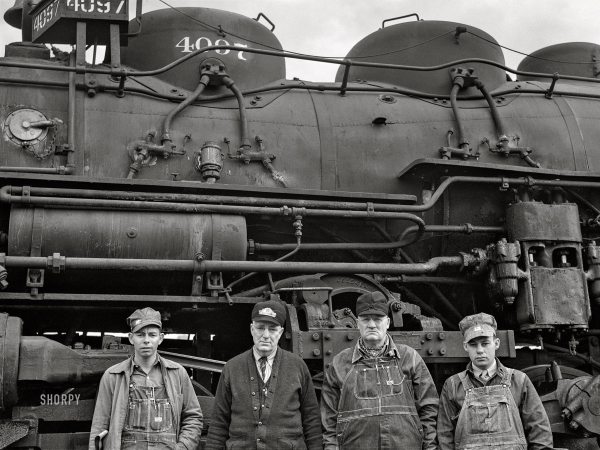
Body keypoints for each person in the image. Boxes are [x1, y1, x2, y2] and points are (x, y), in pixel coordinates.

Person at [321, 291, 439, 450]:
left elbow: (429, 410)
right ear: (357, 323)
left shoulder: (409, 358)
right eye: (365, 319)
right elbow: (329, 421)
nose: (371, 324)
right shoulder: (340, 363)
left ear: (388, 322)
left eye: (377, 319)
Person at [204, 299, 322, 450]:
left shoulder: (297, 366)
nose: (266, 335)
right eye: (260, 328)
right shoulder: (232, 367)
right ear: (252, 329)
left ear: (280, 332)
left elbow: (312, 421)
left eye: (272, 329)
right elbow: (218, 424)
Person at [89, 307, 203, 450]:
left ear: (160, 338)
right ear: (131, 338)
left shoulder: (178, 373)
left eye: (152, 335)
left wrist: (183, 447)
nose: (146, 340)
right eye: (140, 335)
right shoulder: (113, 376)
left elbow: (193, 417)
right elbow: (99, 425)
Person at [437, 312, 553, 450]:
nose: (480, 350)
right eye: (473, 344)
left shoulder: (519, 380)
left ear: (496, 343)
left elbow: (539, 430)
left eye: (485, 343)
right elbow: (445, 436)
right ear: (465, 347)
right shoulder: (453, 385)